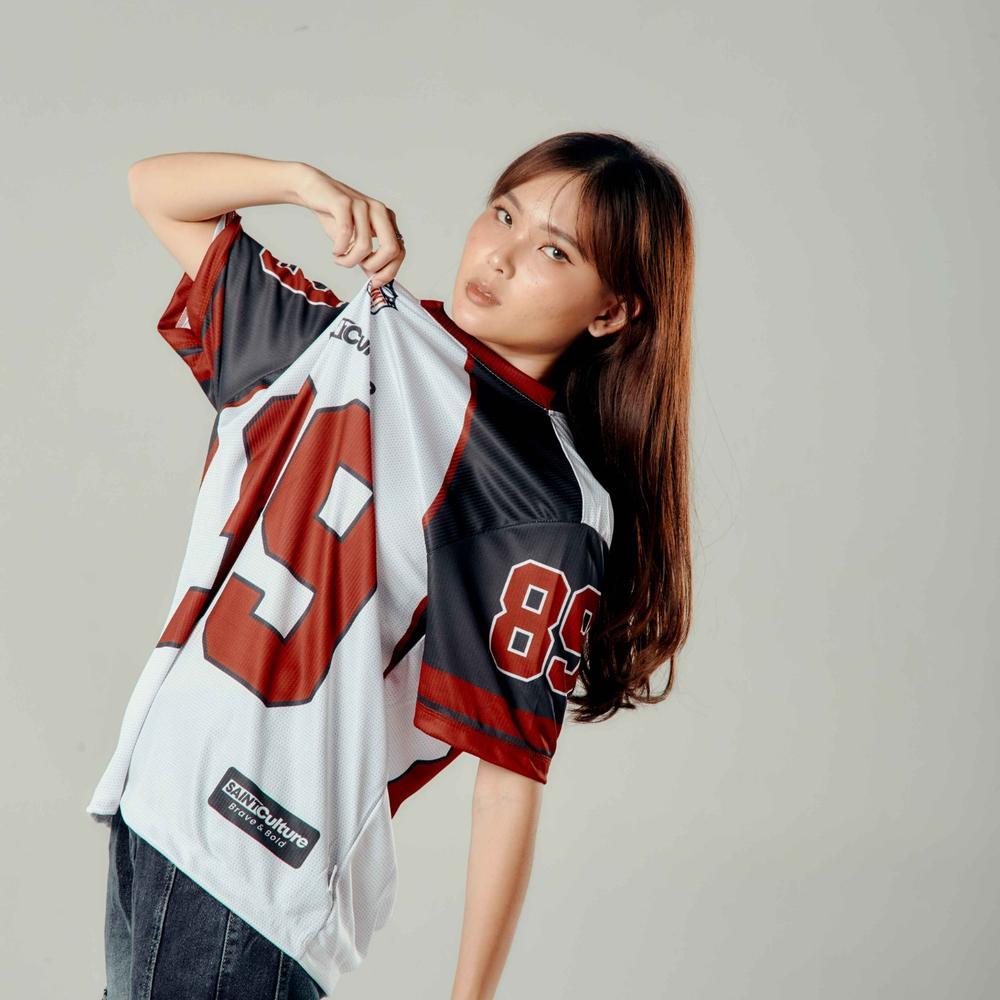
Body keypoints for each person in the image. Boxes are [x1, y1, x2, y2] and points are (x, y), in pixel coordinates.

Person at [88, 131, 694, 999]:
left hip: (257, 862)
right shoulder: (350, 336)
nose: (501, 255)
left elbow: (508, 783)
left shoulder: (546, 502)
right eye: (504, 214)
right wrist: (302, 183)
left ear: (611, 312)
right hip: (155, 792)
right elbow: (154, 189)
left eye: (555, 251)